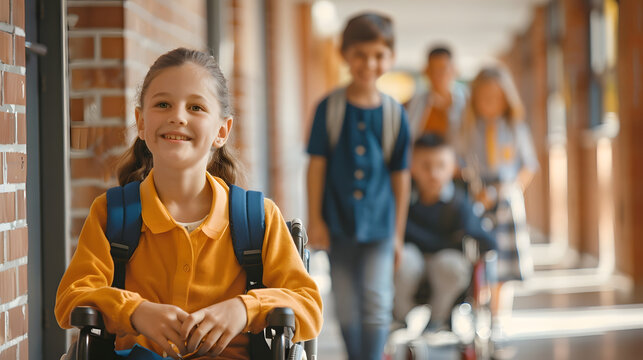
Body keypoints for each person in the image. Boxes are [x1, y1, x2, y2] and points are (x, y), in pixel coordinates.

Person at [55, 48, 323, 360]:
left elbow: (309, 305)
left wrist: (245, 308)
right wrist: (135, 311)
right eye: (163, 104)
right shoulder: (111, 214)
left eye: (195, 107)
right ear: (141, 122)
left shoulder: (258, 218)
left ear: (221, 131)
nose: (178, 116)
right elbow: (71, 298)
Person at [306, 13, 411, 360]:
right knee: (347, 305)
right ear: (345, 55)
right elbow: (316, 167)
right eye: (360, 54)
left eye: (379, 55)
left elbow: (401, 177)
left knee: (377, 300)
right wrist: (316, 220)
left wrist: (397, 234)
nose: (369, 63)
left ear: (391, 57)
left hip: (380, 227)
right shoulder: (329, 109)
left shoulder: (395, 114)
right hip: (337, 224)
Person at [393, 134, 496, 332]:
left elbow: (486, 240)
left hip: (444, 266)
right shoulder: (402, 199)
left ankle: (438, 318)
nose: (433, 173)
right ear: (412, 166)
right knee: (402, 261)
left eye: (441, 166)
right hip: (412, 261)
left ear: (453, 167)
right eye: (425, 166)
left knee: (451, 266)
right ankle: (401, 316)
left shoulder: (459, 204)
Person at [458, 65, 539, 285]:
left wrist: (512, 189)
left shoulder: (515, 128)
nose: (491, 103)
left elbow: (528, 165)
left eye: (496, 97)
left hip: (506, 196)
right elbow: (461, 160)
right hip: (479, 193)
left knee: (505, 260)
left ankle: (498, 314)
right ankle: (481, 300)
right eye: (485, 98)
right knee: (482, 254)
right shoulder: (470, 129)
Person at [406, 46, 468, 141]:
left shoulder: (466, 102)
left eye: (443, 69)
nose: (437, 75)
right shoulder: (413, 103)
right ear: (426, 71)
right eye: (433, 70)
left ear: (453, 70)